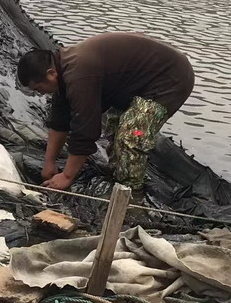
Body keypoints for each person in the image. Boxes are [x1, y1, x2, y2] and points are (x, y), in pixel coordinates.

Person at [17, 32, 195, 193]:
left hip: (170, 78)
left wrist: (67, 176)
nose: (40, 94)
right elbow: (59, 122)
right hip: (135, 84)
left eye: (38, 88)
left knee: (131, 137)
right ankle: (119, 174)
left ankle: (130, 194)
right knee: (114, 131)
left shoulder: (79, 75)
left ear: (51, 74)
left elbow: (85, 131)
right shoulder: (63, 71)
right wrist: (49, 163)